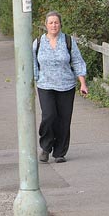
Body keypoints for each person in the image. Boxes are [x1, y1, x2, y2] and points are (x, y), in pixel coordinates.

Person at [33, 11, 88, 163]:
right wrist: (33, 83)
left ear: (60, 24)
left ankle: (59, 153)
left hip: (66, 86)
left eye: (56, 22)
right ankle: (46, 147)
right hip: (45, 85)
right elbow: (33, 65)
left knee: (64, 120)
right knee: (49, 116)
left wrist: (82, 83)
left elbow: (77, 61)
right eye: (50, 22)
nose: (53, 25)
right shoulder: (38, 42)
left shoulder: (68, 41)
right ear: (46, 25)